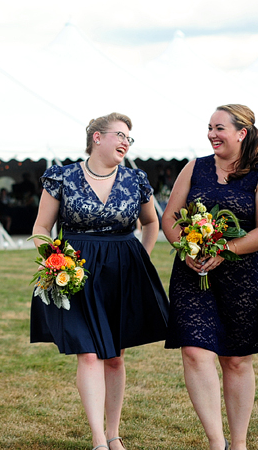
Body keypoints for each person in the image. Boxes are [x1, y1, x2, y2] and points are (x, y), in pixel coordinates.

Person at [29, 112, 169, 450]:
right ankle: (97, 439)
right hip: (75, 272)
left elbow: (152, 223)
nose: (125, 142)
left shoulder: (136, 179)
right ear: (97, 137)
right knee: (88, 353)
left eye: (129, 138)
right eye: (120, 135)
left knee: (115, 356)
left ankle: (113, 433)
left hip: (123, 270)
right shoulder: (62, 177)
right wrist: (55, 260)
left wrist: (142, 257)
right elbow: (40, 229)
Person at [162, 104, 258, 450]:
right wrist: (187, 250)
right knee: (195, 352)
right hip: (192, 273)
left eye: (220, 128)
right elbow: (170, 217)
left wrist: (225, 250)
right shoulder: (194, 167)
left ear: (242, 133)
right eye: (209, 128)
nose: (212, 134)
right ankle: (217, 442)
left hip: (241, 277)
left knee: (236, 358)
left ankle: (239, 443)